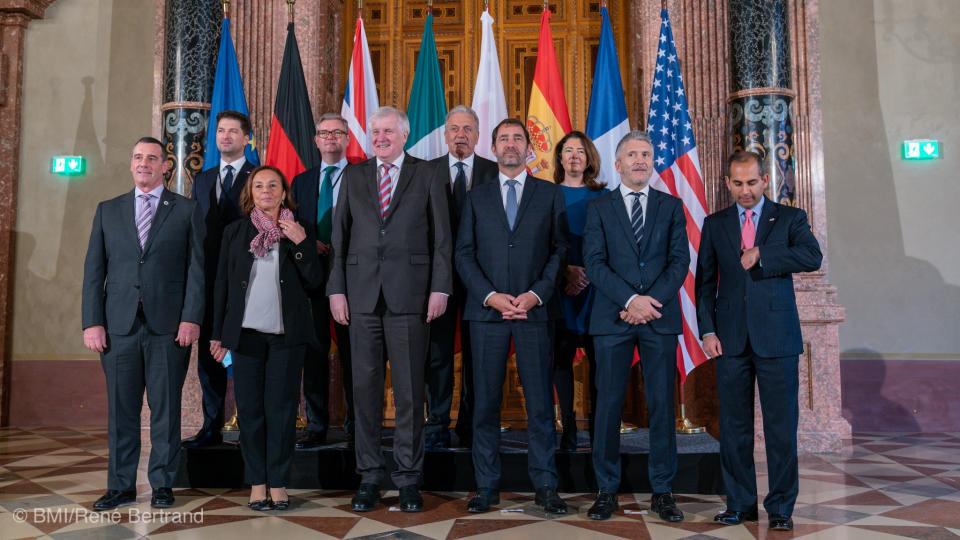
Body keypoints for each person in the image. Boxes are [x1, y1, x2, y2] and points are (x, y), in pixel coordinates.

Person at [327, 106, 453, 513]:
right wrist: (336, 291)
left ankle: (408, 479)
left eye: (387, 131)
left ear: (404, 135)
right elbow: (339, 238)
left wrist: (440, 289)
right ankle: (368, 477)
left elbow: (442, 240)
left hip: (412, 298)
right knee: (363, 392)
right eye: (375, 131)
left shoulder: (429, 173)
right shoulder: (355, 174)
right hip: (360, 298)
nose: (380, 137)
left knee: (410, 394)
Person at [696, 151, 822, 532]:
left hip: (778, 340)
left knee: (781, 428)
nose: (745, 191)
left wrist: (763, 254)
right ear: (728, 183)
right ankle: (740, 504)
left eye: (751, 182)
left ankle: (781, 508)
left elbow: (812, 256)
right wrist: (707, 330)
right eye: (737, 183)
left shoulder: (790, 218)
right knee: (734, 427)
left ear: (764, 180)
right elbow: (704, 284)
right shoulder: (715, 224)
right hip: (730, 341)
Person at [82, 136, 204, 511]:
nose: (143, 164)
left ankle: (163, 484)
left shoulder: (186, 210)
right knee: (121, 411)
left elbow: (196, 270)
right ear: (131, 163)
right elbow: (93, 271)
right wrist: (92, 322)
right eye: (137, 157)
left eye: (152, 158)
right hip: (117, 328)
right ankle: (120, 486)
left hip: (168, 328)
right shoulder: (108, 210)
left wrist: (191, 318)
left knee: (165, 409)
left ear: (165, 166)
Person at [455, 118, 569, 515]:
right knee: (484, 405)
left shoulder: (550, 194)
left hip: (535, 313)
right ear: (494, 146)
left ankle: (546, 486)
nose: (510, 145)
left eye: (517, 138)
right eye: (503, 138)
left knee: (539, 405)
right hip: (487, 314)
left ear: (528, 147)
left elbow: (559, 252)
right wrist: (491, 297)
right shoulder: (477, 196)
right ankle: (486, 486)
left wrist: (535, 295)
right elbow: (463, 254)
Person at [582, 131, 689, 522]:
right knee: (608, 406)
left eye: (646, 154)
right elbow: (594, 263)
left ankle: (663, 490)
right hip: (614, 318)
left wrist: (648, 304)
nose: (640, 160)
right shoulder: (599, 208)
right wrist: (630, 301)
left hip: (658, 319)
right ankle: (605, 489)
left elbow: (679, 262)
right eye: (632, 154)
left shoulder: (672, 206)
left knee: (661, 406)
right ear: (618, 163)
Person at [209, 165, 323, 511]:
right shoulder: (235, 232)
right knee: (252, 412)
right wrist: (218, 334)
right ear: (251, 193)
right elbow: (222, 286)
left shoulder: (300, 231)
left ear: (284, 192)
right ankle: (257, 483)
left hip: (286, 338)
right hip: (244, 337)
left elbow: (315, 281)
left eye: (273, 185)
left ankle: (279, 483)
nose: (267, 191)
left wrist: (301, 243)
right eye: (259, 186)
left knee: (282, 411)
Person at [424, 105, 497, 450]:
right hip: (436, 281)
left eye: (468, 129)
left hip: (482, 281)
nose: (461, 135)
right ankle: (437, 422)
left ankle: (471, 423)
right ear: (445, 134)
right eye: (454, 129)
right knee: (437, 354)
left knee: (477, 354)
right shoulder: (425, 172)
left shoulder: (494, 172)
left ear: (478, 135)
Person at [184, 110, 256, 449]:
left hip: (248, 285)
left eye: (232, 131)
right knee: (209, 360)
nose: (225, 136)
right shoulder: (202, 178)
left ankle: (250, 428)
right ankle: (210, 426)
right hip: (209, 284)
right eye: (220, 131)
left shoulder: (260, 178)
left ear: (246, 138)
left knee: (247, 357)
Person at [292, 112, 355, 449]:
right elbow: (291, 224)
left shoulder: (362, 176)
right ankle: (316, 424)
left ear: (347, 139)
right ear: (315, 140)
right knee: (313, 354)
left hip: (353, 279)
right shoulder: (301, 181)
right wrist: (307, 241)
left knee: (354, 355)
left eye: (337, 133)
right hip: (312, 279)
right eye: (324, 133)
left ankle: (356, 424)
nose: (330, 138)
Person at [551, 130, 605, 451]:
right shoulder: (547, 195)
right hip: (560, 289)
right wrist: (565, 274)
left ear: (589, 159)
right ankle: (568, 427)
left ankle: (598, 428)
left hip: (596, 291)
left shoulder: (604, 196)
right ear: (559, 157)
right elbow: (542, 244)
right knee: (561, 359)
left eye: (580, 151)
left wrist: (587, 275)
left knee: (600, 362)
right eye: (568, 150)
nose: (574, 156)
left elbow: (612, 245)